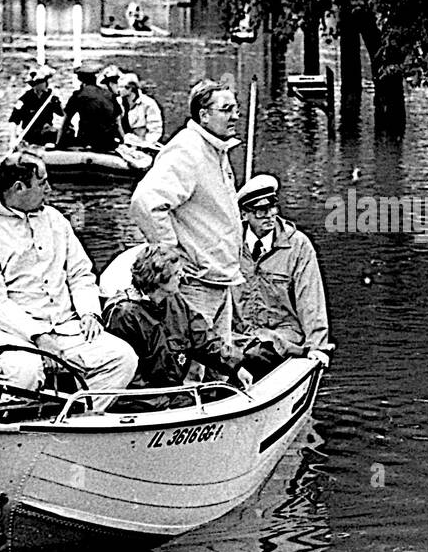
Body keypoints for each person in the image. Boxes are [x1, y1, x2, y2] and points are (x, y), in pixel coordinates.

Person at [0, 153, 137, 411]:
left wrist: (89, 313)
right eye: (42, 183)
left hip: (64, 328)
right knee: (25, 370)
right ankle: (11, 426)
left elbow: (80, 274)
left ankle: (81, 419)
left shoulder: (55, 220)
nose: (49, 190)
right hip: (5, 334)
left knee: (122, 357)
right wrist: (39, 336)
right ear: (19, 188)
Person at [130, 78, 243, 347]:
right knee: (192, 365)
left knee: (219, 363)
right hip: (195, 282)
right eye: (227, 109)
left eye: (236, 109)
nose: (235, 116)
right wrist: (171, 255)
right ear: (204, 115)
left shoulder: (216, 149)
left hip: (219, 277)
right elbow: (145, 202)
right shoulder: (188, 149)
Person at [102, 244, 253, 389]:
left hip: (171, 392)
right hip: (142, 399)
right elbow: (127, 375)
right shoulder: (124, 314)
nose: (182, 276)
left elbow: (203, 340)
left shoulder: (175, 301)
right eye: (176, 273)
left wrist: (235, 367)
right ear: (158, 278)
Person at [232, 174, 333, 378]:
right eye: (261, 211)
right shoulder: (229, 244)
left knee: (257, 356)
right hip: (240, 335)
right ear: (244, 215)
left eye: (272, 208)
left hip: (283, 336)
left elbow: (310, 299)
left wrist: (317, 346)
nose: (270, 215)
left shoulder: (298, 246)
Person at [58, 63, 122, 152]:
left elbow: (65, 122)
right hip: (108, 141)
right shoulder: (109, 95)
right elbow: (117, 123)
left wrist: (58, 144)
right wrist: (123, 142)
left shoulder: (78, 95)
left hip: (86, 141)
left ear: (80, 80)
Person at [9, 65, 63, 146]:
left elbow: (61, 113)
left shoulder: (50, 97)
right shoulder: (25, 99)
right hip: (31, 136)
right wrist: (12, 139)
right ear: (35, 84)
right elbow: (13, 121)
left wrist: (57, 101)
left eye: (45, 81)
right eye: (42, 82)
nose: (46, 84)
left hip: (47, 134)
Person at [120, 73, 164, 145]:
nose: (119, 90)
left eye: (122, 87)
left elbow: (155, 129)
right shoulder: (118, 102)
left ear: (130, 88)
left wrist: (146, 144)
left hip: (143, 144)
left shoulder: (148, 103)